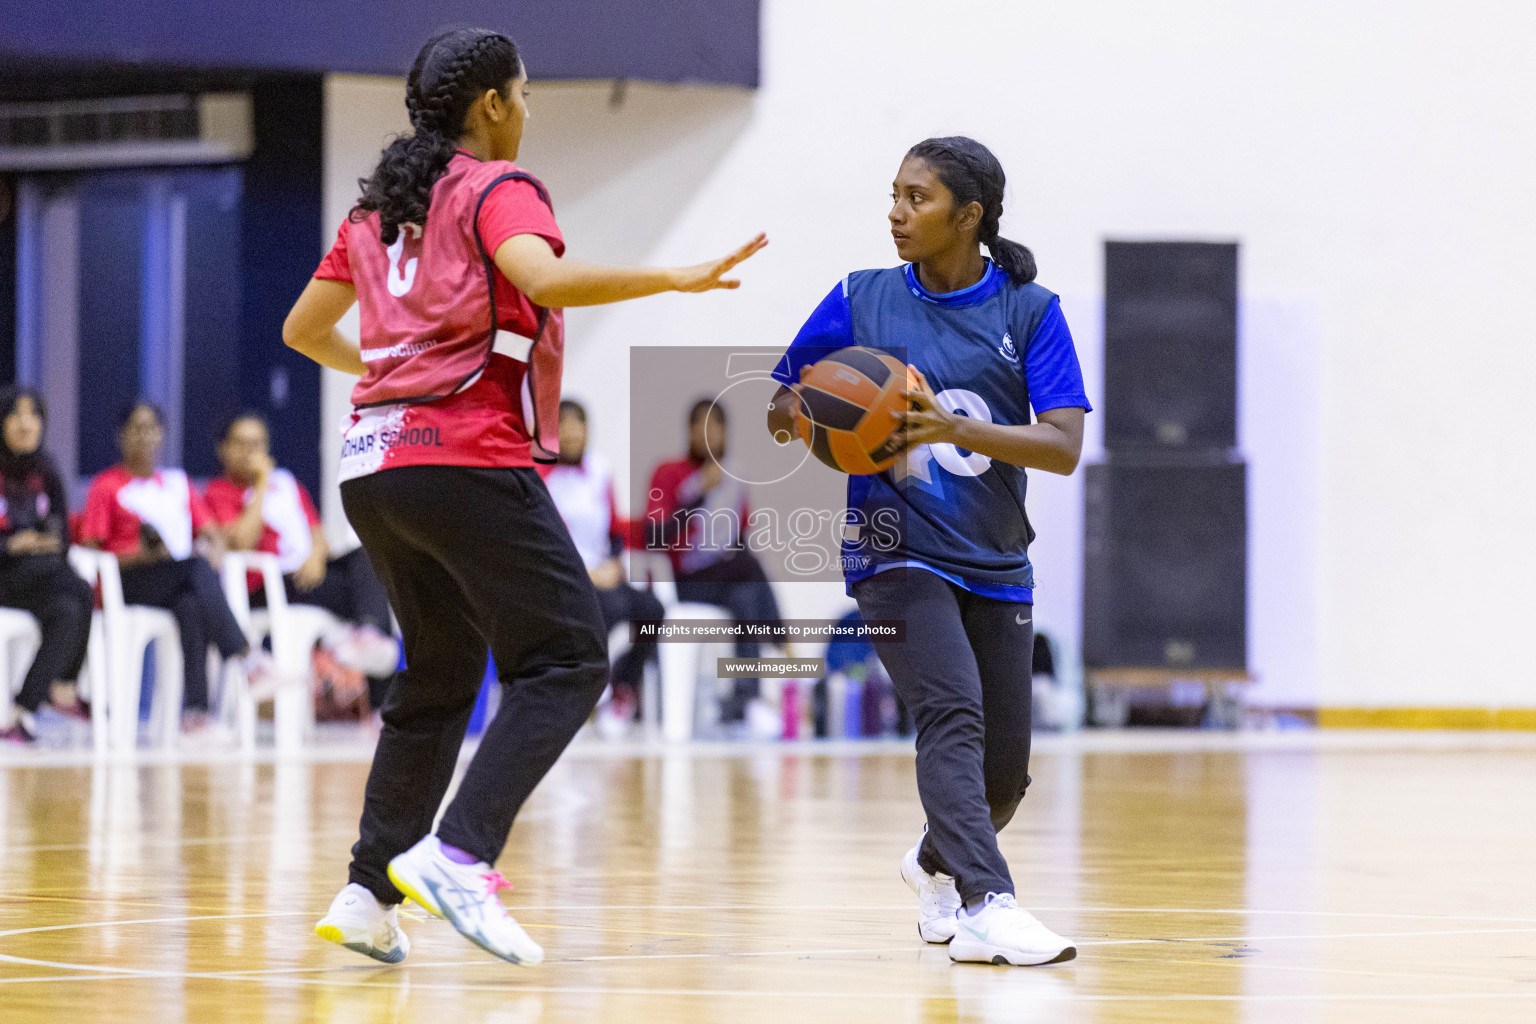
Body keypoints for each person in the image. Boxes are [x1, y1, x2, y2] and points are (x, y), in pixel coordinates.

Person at [283, 27, 764, 967]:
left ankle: (368, 890)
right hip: (463, 455)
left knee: (440, 671)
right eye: (526, 93)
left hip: (372, 465)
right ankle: (459, 854)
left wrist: (393, 373)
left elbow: (306, 331)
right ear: (492, 105)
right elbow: (542, 278)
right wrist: (673, 275)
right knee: (570, 658)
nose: (530, 110)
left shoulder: (379, 209)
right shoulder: (498, 188)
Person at [766, 137, 1089, 967]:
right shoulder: (860, 296)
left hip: (994, 557)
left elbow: (1061, 446)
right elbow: (779, 405)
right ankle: (990, 903)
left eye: (917, 199)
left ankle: (934, 863)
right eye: (894, 195)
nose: (896, 212)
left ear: (969, 216)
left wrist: (954, 428)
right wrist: (823, 422)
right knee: (952, 714)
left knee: (1003, 775)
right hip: (894, 552)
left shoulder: (1030, 310)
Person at [205, 412, 399, 710]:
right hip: (266, 586)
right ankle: (380, 701)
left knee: (367, 558)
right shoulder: (219, 492)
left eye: (257, 444)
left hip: (306, 575)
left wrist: (317, 557)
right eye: (241, 444)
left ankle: (370, 637)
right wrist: (261, 483)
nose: (251, 452)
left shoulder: (287, 484)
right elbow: (242, 542)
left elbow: (316, 531)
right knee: (365, 595)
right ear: (224, 449)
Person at [79, 400, 249, 734]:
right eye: (136, 429)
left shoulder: (175, 484)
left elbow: (211, 531)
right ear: (121, 436)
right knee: (193, 571)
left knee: (190, 602)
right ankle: (242, 654)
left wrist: (215, 547)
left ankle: (195, 714)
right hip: (126, 581)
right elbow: (89, 554)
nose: (144, 437)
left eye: (151, 428)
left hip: (174, 578)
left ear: (162, 436)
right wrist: (140, 555)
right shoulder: (107, 485)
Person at [646, 398, 785, 731]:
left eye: (714, 426)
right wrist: (696, 497)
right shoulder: (669, 473)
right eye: (699, 425)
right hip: (687, 581)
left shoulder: (735, 476)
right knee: (748, 567)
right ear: (689, 431)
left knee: (746, 596)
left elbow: (739, 537)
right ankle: (782, 642)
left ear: (725, 432)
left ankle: (744, 700)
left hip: (726, 581)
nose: (707, 434)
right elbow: (655, 537)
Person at [540, 400, 662, 737]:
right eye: (563, 425)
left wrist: (613, 565)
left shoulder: (600, 470)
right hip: (565, 577)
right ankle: (589, 690)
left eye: (577, 425)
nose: (571, 433)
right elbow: (547, 538)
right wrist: (587, 574)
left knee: (652, 609)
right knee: (608, 607)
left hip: (603, 572)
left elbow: (615, 531)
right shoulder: (541, 475)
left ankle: (622, 686)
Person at [0, 386, 94, 745]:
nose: (26, 424)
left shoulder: (47, 470)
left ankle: (22, 711)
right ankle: (64, 688)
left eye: (33, 415)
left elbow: (63, 536)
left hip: (40, 577)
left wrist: (43, 543)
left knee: (71, 607)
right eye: (16, 415)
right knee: (77, 587)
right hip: (6, 572)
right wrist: (13, 544)